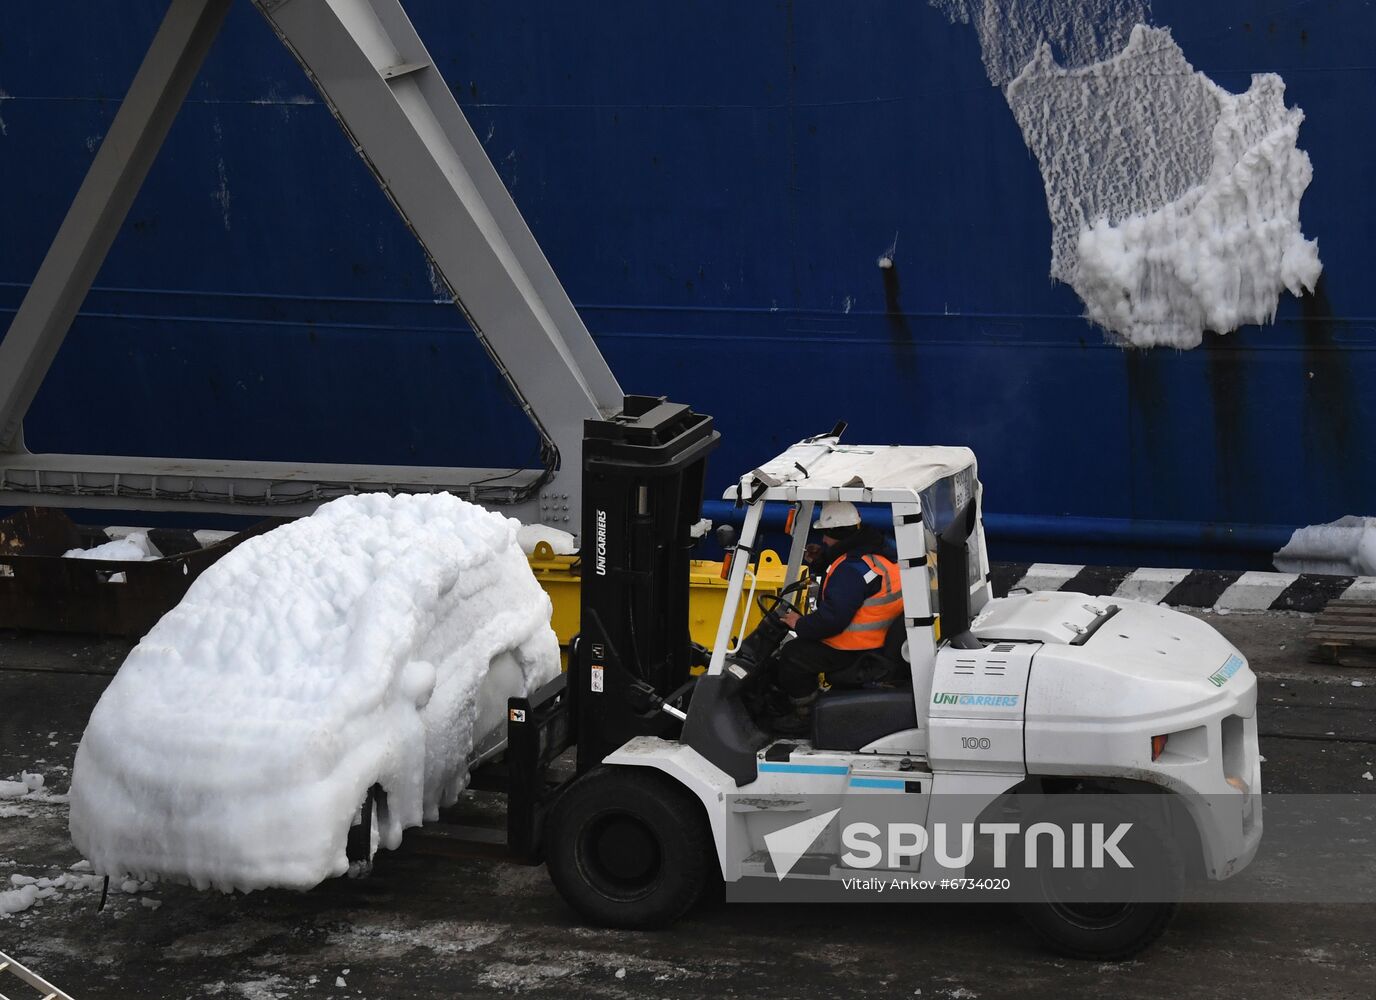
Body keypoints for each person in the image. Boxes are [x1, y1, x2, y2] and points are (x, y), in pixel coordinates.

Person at [769, 501, 903, 735]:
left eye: (826, 535)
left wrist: (799, 623)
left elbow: (832, 619)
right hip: (879, 642)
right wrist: (822, 559)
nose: (823, 540)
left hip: (854, 649)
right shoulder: (881, 554)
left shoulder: (850, 569)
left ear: (836, 533)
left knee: (793, 655)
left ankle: (805, 716)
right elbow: (857, 585)